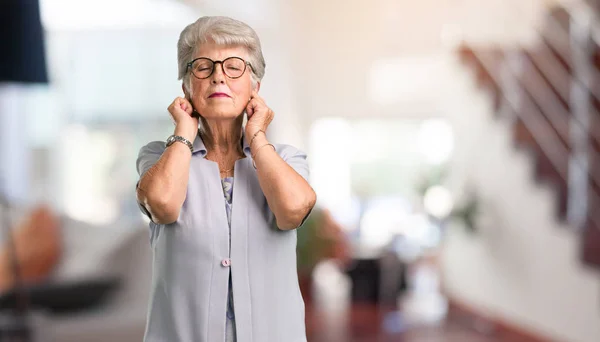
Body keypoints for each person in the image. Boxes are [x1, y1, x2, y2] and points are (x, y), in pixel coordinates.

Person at [135, 16, 317, 342]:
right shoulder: (159, 158)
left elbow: (292, 211)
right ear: (186, 87)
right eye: (203, 67)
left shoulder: (286, 159)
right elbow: (162, 206)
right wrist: (184, 133)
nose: (218, 76)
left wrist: (257, 136)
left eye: (234, 67)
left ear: (255, 88)